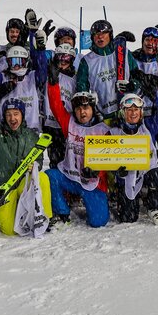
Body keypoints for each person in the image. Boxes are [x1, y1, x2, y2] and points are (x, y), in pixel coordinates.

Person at [0, 98, 48, 232]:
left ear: (22, 115)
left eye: (16, 113)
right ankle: (8, 208)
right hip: (1, 187)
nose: (12, 118)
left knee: (42, 178)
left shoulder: (31, 136)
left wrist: (35, 166)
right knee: (9, 230)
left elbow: (39, 160)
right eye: (8, 114)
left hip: (23, 183)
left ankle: (46, 217)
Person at [44, 81, 112, 227]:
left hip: (93, 184)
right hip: (70, 177)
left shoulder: (103, 130)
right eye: (79, 108)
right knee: (49, 176)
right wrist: (53, 83)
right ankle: (62, 212)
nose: (82, 112)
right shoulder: (69, 123)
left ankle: (94, 203)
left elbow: (110, 158)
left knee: (98, 222)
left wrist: (97, 172)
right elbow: (56, 106)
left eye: (86, 108)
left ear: (93, 109)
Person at [109, 92, 158, 222]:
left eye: (136, 110)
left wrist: (156, 97)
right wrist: (116, 169)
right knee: (129, 218)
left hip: (148, 172)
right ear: (123, 112)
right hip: (127, 177)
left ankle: (153, 206)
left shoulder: (148, 126)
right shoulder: (113, 132)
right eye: (129, 110)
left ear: (141, 112)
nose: (133, 113)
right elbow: (104, 158)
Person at [76, 19, 139, 118]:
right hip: (103, 115)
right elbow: (81, 88)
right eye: (96, 34)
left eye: (104, 33)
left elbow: (137, 77)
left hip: (128, 112)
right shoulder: (87, 61)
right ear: (92, 37)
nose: (100, 37)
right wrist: (88, 100)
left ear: (110, 35)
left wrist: (133, 85)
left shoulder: (124, 53)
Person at [42, 43, 78, 167]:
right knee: (55, 160)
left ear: (72, 59)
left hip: (66, 125)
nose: (63, 61)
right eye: (60, 57)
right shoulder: (48, 74)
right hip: (50, 124)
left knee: (69, 159)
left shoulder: (75, 79)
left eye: (66, 58)